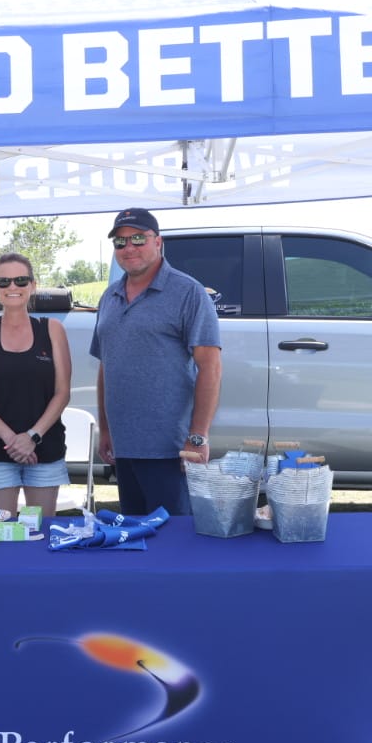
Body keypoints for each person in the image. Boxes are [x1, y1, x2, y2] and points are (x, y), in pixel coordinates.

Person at [89, 207, 221, 516]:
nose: (129, 248)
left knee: (173, 537)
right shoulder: (110, 297)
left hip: (170, 450)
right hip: (124, 447)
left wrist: (198, 437)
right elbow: (107, 366)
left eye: (138, 238)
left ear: (158, 242)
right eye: (120, 242)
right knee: (135, 533)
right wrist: (106, 429)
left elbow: (210, 368)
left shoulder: (188, 292)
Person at [0, 252, 72, 515]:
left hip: (45, 450)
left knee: (41, 532)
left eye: (21, 280)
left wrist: (32, 436)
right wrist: (12, 440)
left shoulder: (53, 329)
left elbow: (62, 392)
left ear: (33, 285)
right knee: (1, 532)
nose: (13, 287)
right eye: (4, 282)